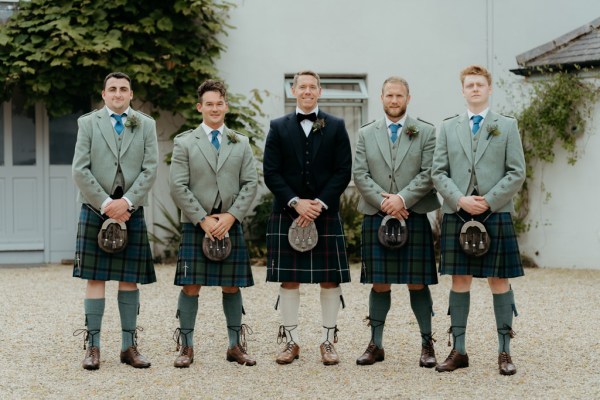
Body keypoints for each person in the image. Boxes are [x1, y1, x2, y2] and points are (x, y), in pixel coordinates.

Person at [431, 65, 526, 375]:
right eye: (469, 85)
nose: (474, 89)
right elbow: (438, 171)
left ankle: (504, 352)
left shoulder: (507, 126)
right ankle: (458, 351)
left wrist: (487, 200)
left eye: (479, 85)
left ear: (489, 89)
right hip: (457, 212)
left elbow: (516, 172)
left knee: (499, 281)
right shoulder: (447, 127)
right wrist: (459, 199)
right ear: (462, 90)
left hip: (495, 212)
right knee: (460, 280)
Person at [263, 70, 352, 365]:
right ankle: (291, 342)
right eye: (302, 86)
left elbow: (343, 170)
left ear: (320, 91)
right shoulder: (277, 126)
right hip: (287, 213)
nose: (307, 91)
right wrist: (295, 202)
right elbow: (271, 172)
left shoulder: (336, 126)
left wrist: (319, 204)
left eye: (312, 87)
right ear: (293, 90)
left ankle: (328, 341)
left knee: (329, 279)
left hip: (324, 213)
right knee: (289, 279)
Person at [72, 71, 158, 370]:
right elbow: (80, 169)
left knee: (129, 279)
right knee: (95, 278)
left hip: (131, 210)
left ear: (131, 94)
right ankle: (93, 347)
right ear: (104, 93)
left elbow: (150, 169)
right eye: (113, 89)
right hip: (97, 209)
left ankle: (128, 346)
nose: (118, 94)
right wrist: (108, 204)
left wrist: (127, 203)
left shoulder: (146, 124)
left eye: (124, 89)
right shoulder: (88, 123)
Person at [169, 79, 258, 368]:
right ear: (200, 107)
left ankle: (235, 346)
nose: (215, 108)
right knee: (191, 285)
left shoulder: (240, 142)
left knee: (232, 285)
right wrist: (203, 220)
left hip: (230, 222)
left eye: (219, 103)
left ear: (226, 106)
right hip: (197, 224)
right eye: (209, 104)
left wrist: (231, 216)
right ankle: (186, 347)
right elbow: (178, 186)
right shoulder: (184, 142)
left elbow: (250, 183)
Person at [353, 76, 441, 367]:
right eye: (389, 95)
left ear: (408, 98)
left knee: (417, 282)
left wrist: (401, 200)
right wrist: (384, 202)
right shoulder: (366, 133)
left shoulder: (426, 131)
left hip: (412, 214)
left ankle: (427, 345)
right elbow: (360, 174)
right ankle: (375, 345)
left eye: (399, 96)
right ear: (381, 98)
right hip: (376, 214)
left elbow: (429, 172)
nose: (394, 100)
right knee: (379, 282)